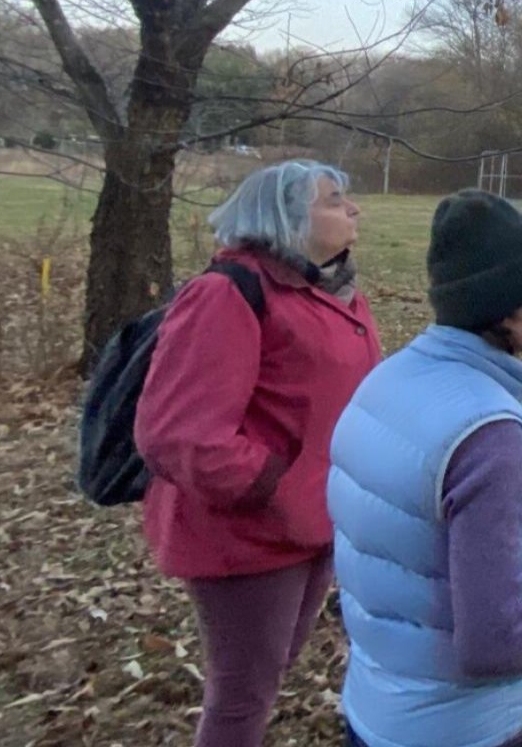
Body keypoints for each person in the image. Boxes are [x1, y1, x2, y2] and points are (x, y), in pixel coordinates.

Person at [134, 161, 379, 747]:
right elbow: (180, 433)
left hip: (318, 519)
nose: (353, 209)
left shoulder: (334, 293)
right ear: (287, 217)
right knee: (242, 696)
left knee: (268, 674)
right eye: (334, 198)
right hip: (247, 535)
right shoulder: (226, 294)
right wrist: (285, 492)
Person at [329, 191, 522, 747]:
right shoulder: (487, 433)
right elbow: (497, 639)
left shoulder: (386, 381)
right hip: (463, 728)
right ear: (503, 304)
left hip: (378, 710)